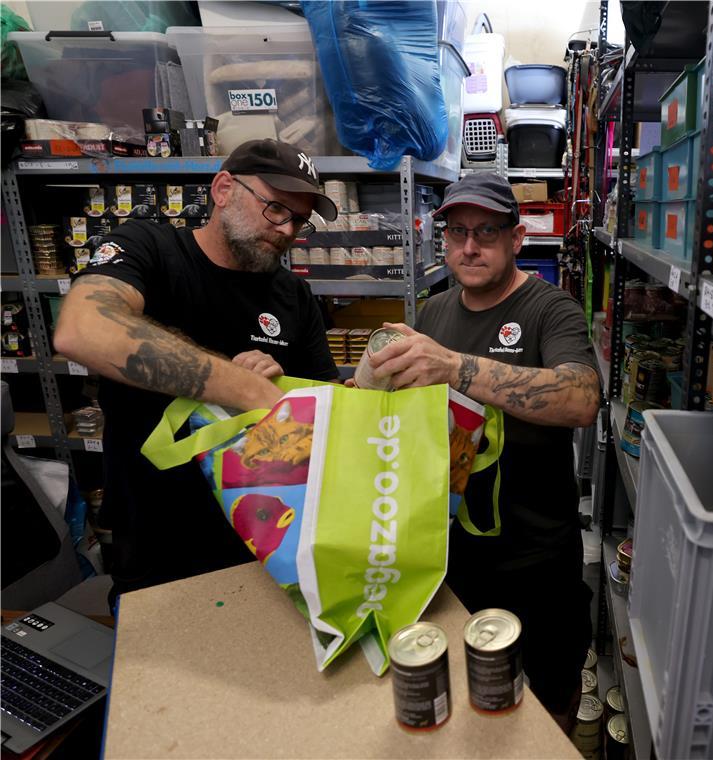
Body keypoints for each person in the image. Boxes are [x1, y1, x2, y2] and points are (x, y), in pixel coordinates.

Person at [357, 173, 601, 731]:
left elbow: (582, 397)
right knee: (471, 701)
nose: (469, 247)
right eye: (458, 232)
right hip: (450, 555)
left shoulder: (550, 308)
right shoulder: (434, 310)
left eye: (487, 232)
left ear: (517, 239)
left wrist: (456, 368)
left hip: (536, 561)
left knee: (546, 702)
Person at [53, 138, 340, 602]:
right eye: (276, 209)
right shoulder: (147, 245)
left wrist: (325, 391)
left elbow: (324, 417)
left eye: (300, 220)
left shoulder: (294, 296)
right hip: (158, 550)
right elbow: (82, 328)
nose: (288, 230)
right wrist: (245, 387)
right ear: (224, 188)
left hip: (268, 546)